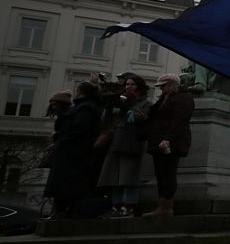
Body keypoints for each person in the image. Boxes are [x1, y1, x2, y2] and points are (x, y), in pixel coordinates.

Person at [96, 74, 152, 218]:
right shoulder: (119, 101)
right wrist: (109, 107)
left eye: (132, 84)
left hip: (132, 143)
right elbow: (106, 122)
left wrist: (128, 107)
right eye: (127, 84)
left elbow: (139, 119)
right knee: (114, 178)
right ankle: (116, 206)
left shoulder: (145, 103)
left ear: (139, 86)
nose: (129, 87)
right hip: (116, 143)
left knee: (128, 178)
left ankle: (129, 207)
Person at [43, 82, 102, 218]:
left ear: (81, 92)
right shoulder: (84, 107)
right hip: (71, 152)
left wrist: (61, 138)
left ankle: (64, 211)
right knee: (63, 185)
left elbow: (79, 128)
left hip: (72, 153)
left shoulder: (86, 108)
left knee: (66, 185)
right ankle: (61, 211)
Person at [142, 73, 194, 218]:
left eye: (163, 86)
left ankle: (166, 207)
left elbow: (179, 121)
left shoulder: (183, 98)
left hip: (171, 142)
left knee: (168, 173)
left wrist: (168, 139)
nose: (160, 89)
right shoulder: (166, 98)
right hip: (160, 141)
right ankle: (162, 205)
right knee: (161, 173)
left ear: (171, 85)